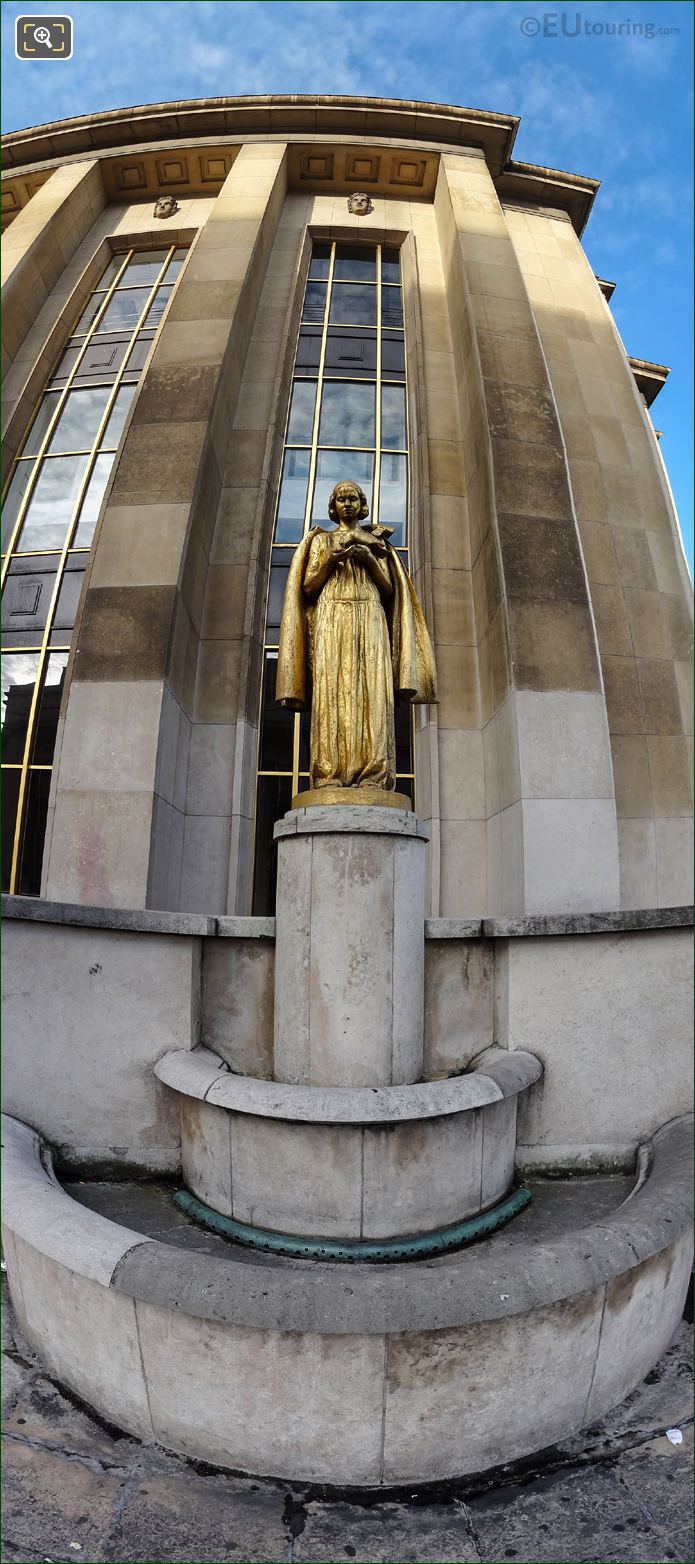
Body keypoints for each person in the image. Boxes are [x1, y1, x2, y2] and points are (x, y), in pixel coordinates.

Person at [276, 479, 436, 794]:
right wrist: (330, 561)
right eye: (341, 499)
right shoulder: (320, 542)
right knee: (331, 689)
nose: (347, 504)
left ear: (361, 504)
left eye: (353, 498)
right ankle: (329, 773)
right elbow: (307, 588)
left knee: (372, 689)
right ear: (333, 507)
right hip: (332, 616)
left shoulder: (378, 542)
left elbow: (390, 589)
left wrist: (367, 559)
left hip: (370, 615)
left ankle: (374, 773)